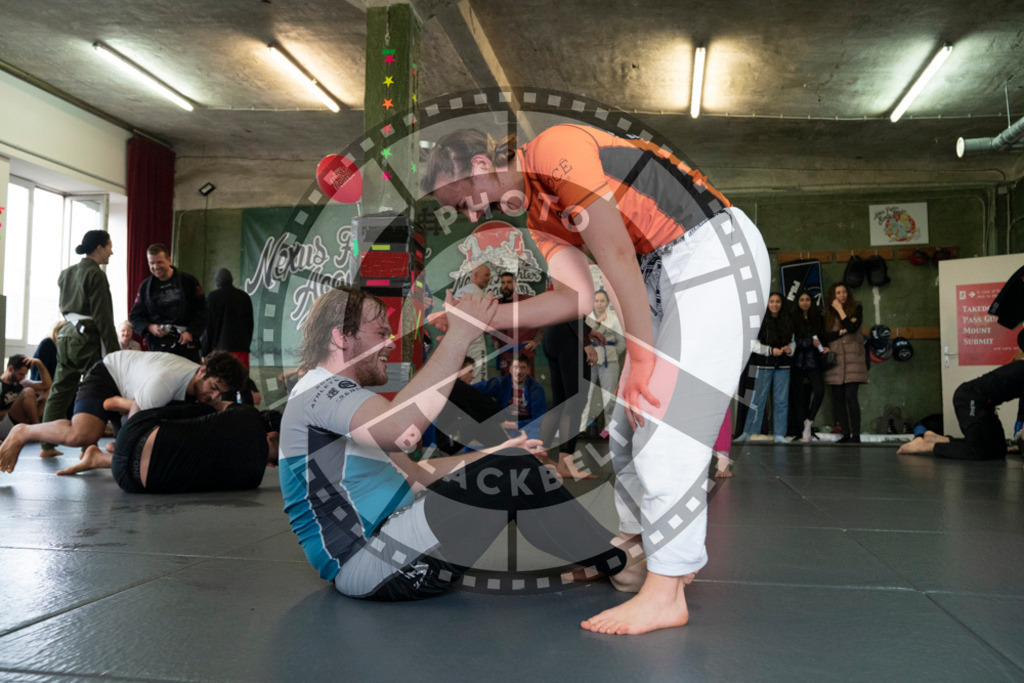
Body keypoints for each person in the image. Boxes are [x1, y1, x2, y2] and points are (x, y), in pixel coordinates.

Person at [423, 124, 770, 634]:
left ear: (479, 167)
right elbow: (575, 298)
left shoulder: (555, 149)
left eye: (467, 201)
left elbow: (615, 251)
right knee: (628, 427)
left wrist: (644, 352)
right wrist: (481, 318)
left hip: (713, 253)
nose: (473, 214)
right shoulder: (535, 213)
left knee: (665, 417)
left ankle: (668, 589)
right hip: (661, 273)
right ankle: (634, 558)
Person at [280, 286, 633, 603]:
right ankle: (620, 562)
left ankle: (608, 558)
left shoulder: (343, 402)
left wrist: (498, 453)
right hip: (374, 564)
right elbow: (404, 430)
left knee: (512, 464)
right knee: (512, 472)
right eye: (380, 333)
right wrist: (460, 333)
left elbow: (418, 475)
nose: (390, 342)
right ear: (342, 337)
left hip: (393, 547)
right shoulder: (318, 391)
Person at [0, 350, 246, 473]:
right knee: (82, 435)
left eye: (220, 393)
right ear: (202, 372)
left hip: (135, 392)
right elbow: (136, 431)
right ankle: (23, 432)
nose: (213, 397)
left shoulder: (202, 387)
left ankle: (103, 449)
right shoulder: (166, 382)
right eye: (213, 388)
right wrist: (122, 451)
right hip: (110, 374)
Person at [56, 403, 281, 493]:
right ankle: (100, 459)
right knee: (196, 458)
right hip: (131, 481)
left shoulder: (248, 414)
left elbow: (209, 411)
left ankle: (124, 403)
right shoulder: (252, 480)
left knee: (197, 414)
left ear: (272, 434)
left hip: (133, 434)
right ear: (271, 465)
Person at [40, 230, 119, 458]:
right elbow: (103, 318)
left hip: (65, 335)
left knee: (60, 389)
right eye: (109, 246)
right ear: (99, 248)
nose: (111, 252)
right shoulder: (96, 275)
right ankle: (88, 446)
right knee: (95, 388)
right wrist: (114, 353)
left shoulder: (66, 274)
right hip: (86, 339)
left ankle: (47, 445)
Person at [897, 359, 1024, 462]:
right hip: (970, 398)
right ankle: (926, 446)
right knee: (976, 451)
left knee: (998, 450)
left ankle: (935, 438)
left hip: (983, 403)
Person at [542, 317, 599, 480]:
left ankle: (540, 454)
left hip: (552, 334)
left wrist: (588, 330)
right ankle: (565, 464)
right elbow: (572, 310)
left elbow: (564, 309)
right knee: (575, 401)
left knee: (560, 401)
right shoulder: (575, 290)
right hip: (568, 339)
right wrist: (586, 343)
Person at [129, 243, 207, 363]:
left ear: (169, 260)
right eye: (152, 263)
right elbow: (135, 316)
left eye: (159, 262)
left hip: (185, 343)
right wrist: (150, 327)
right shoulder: (145, 287)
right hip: (158, 346)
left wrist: (191, 332)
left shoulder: (188, 281)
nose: (156, 266)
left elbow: (202, 311)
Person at [735, 293, 794, 442]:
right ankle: (749, 433)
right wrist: (769, 350)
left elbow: (793, 341)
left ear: (781, 304)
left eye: (777, 302)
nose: (775, 304)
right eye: (772, 301)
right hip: (764, 364)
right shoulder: (761, 320)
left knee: (781, 401)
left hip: (783, 365)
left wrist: (790, 349)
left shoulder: (787, 320)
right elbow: (752, 344)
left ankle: (780, 434)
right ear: (767, 304)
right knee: (757, 400)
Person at [821, 283, 866, 443]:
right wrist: (842, 331)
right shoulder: (827, 314)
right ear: (833, 296)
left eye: (844, 292)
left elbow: (853, 328)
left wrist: (840, 310)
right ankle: (845, 433)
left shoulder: (857, 308)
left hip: (854, 359)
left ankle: (856, 434)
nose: (842, 295)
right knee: (838, 399)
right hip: (836, 359)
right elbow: (825, 336)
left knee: (851, 397)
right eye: (838, 292)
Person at [473, 355, 547, 440]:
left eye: (523, 368)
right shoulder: (501, 383)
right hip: (503, 422)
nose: (518, 371)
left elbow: (539, 420)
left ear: (528, 370)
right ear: (510, 369)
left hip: (525, 424)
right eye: (516, 367)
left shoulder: (536, 390)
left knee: (533, 446)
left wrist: (514, 425)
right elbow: (474, 389)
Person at [790, 291, 829, 442]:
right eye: (802, 299)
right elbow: (791, 340)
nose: (805, 302)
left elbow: (823, 337)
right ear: (798, 302)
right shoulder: (793, 318)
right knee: (799, 398)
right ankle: (803, 430)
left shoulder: (818, 318)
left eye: (807, 299)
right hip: (797, 361)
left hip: (814, 361)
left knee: (819, 391)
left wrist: (825, 347)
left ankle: (809, 421)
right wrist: (808, 343)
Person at [489, 272, 544, 376]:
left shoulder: (528, 301)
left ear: (515, 284)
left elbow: (544, 318)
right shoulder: (497, 304)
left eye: (509, 282)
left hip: (524, 351)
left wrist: (537, 340)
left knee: (527, 386)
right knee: (506, 387)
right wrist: (495, 341)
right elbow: (492, 326)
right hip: (505, 353)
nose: (505, 285)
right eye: (503, 283)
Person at [586, 289, 623, 438]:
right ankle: (585, 427)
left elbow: (621, 343)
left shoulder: (614, 319)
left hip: (609, 359)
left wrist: (612, 353)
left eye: (602, 301)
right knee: (587, 395)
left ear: (607, 303)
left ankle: (610, 429)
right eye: (596, 301)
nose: (599, 304)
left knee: (609, 397)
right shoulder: (586, 319)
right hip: (590, 360)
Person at [201, 268, 255, 368]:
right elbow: (249, 325)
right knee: (241, 381)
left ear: (217, 281)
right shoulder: (244, 297)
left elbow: (208, 328)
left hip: (220, 352)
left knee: (222, 382)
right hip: (241, 350)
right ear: (231, 279)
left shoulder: (212, 297)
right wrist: (245, 346)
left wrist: (203, 351)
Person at [451, 263, 491, 381]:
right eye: (486, 275)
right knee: (478, 381)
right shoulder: (479, 293)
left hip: (458, 344)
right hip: (475, 343)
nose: (489, 278)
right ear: (476, 274)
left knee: (461, 379)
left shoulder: (460, 291)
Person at [0, 355, 52, 439]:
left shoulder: (21, 382)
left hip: (20, 422)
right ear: (10, 369)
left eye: (25, 374)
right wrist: (18, 406)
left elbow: (47, 385)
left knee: (47, 393)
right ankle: (37, 428)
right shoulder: (1, 385)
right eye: (21, 374)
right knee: (28, 392)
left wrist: (39, 363)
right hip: (4, 424)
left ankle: (35, 428)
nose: (23, 377)